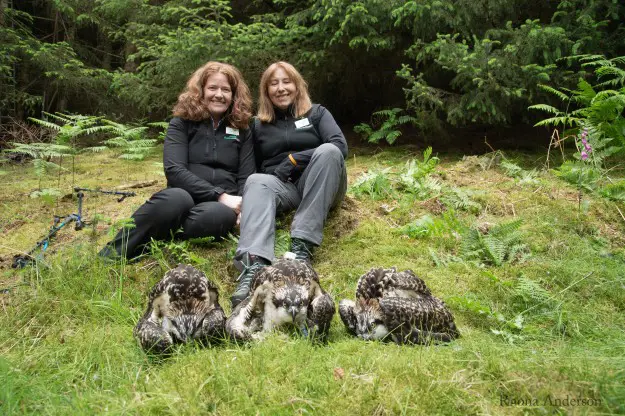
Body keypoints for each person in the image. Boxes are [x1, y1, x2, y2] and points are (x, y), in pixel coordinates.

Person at [99, 61, 254, 260]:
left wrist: (244, 207)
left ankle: (165, 230)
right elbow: (174, 170)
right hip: (184, 194)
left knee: (218, 217)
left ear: (234, 96)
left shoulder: (243, 130)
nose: (219, 94)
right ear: (200, 91)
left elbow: (247, 176)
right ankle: (111, 255)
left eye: (226, 89)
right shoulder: (181, 124)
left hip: (219, 207)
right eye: (212, 88)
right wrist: (219, 195)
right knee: (175, 200)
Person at [231, 61, 348, 307]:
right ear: (266, 91)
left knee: (328, 151)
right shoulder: (257, 124)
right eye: (274, 83)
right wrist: (245, 203)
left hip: (322, 181)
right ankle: (254, 266)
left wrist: (295, 159)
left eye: (286, 82)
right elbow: (250, 169)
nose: (281, 88)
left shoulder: (317, 113)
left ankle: (301, 248)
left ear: (297, 85)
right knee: (256, 180)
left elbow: (339, 146)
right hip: (283, 189)